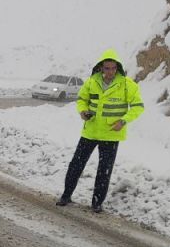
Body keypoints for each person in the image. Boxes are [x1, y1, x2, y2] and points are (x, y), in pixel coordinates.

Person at [56, 49, 145, 213]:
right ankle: (66, 195)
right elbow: (82, 100)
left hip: (111, 135)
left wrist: (123, 121)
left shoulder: (127, 85)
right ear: (101, 68)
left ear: (117, 68)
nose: (110, 71)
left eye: (113, 68)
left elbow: (138, 107)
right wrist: (82, 112)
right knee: (76, 165)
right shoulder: (91, 82)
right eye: (106, 68)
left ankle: (97, 203)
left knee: (104, 170)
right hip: (90, 132)